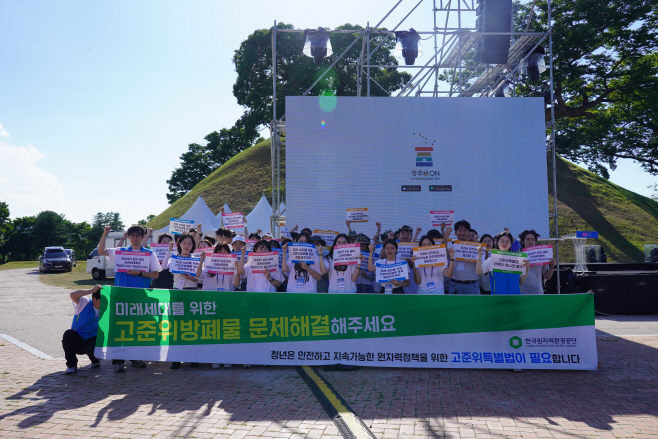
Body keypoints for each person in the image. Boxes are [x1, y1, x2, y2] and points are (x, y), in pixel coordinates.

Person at [98, 225, 161, 371]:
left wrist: (139, 273)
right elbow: (101, 251)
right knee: (120, 327)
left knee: (136, 328)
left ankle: (135, 357)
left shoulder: (149, 254)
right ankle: (118, 360)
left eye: (138, 235)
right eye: (132, 235)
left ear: (143, 236)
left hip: (140, 296)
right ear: (128, 236)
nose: (135, 237)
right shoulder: (120, 252)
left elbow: (155, 274)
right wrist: (104, 234)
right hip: (121, 295)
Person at [62, 285, 103, 374]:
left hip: (91, 342)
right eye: (102, 301)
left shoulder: (106, 311)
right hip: (77, 342)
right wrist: (92, 290)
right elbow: (73, 295)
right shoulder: (84, 303)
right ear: (95, 299)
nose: (105, 304)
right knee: (68, 334)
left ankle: (95, 360)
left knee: (96, 340)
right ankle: (71, 365)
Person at [447, 220, 480, 295]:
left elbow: (484, 259)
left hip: (472, 285)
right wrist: (446, 234)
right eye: (460, 230)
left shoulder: (476, 247)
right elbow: (442, 253)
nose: (462, 233)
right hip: (455, 284)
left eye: (465, 230)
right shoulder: (451, 247)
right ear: (455, 233)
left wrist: (477, 244)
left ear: (469, 232)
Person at [518, 229, 556, 295]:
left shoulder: (542, 256)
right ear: (523, 241)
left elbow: (547, 277)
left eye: (533, 239)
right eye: (528, 239)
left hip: (538, 292)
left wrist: (552, 267)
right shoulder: (518, 256)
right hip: (522, 293)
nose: (530, 241)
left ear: (535, 242)